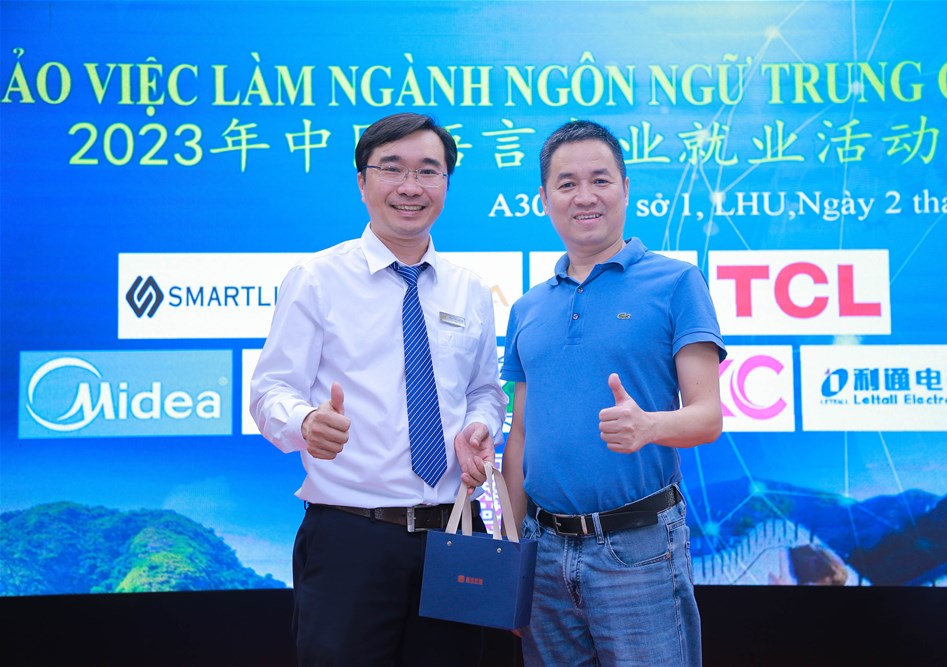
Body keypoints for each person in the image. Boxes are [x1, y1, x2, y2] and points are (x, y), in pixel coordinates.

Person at [250, 112, 507, 666]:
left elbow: (486, 390)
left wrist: (480, 426)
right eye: (392, 168)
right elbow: (271, 389)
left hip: (454, 533)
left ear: (446, 183)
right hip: (351, 538)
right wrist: (306, 423)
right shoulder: (317, 279)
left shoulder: (469, 290)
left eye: (428, 171)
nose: (410, 186)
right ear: (362, 182)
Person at [501, 119, 727, 666]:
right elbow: (521, 435)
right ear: (544, 199)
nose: (585, 196)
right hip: (543, 550)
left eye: (600, 180)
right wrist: (511, 553)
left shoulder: (676, 283)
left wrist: (649, 426)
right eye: (567, 183)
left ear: (625, 189)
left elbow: (708, 417)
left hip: (638, 547)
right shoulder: (527, 308)